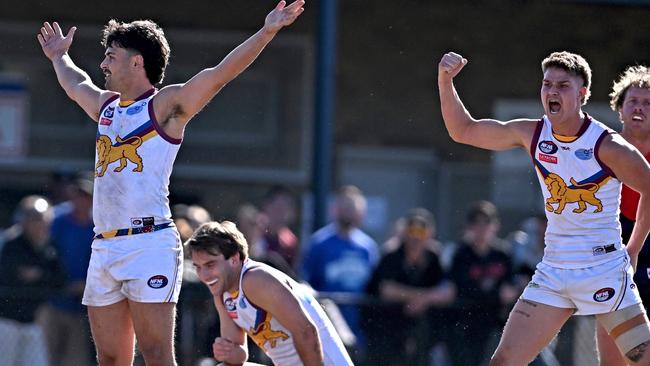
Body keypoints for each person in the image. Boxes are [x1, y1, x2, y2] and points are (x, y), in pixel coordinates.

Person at [37, 2, 305, 365]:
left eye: (110, 56)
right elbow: (74, 84)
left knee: (157, 355)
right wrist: (58, 58)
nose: (103, 64)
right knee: (110, 360)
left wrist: (267, 31)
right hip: (104, 246)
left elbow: (220, 74)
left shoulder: (164, 106)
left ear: (137, 61)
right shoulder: (107, 107)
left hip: (149, 243)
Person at [438, 51, 650, 365]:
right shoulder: (531, 132)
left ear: (582, 94)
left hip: (603, 270)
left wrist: (632, 249)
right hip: (554, 269)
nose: (552, 91)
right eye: (547, 84)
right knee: (504, 361)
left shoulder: (608, 145)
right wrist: (445, 81)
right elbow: (463, 131)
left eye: (563, 85)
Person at [186, 221, 353, 366]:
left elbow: (307, 331)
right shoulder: (223, 294)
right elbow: (239, 357)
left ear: (234, 259)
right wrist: (227, 352)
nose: (204, 275)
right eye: (198, 267)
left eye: (210, 265)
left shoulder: (255, 279)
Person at [596, 65, 650, 365]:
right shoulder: (604, 148)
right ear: (620, 108)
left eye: (648, 102)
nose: (640, 108)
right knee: (614, 339)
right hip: (614, 240)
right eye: (634, 101)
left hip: (648, 237)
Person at [364, 208, 454, 365]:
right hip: (387, 331)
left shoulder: (435, 256)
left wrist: (423, 300)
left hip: (424, 332)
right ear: (404, 232)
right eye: (412, 231)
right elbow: (386, 289)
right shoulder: (390, 254)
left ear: (430, 234)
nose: (416, 238)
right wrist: (420, 297)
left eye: (421, 232)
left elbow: (448, 291)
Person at [301, 185, 379, 352]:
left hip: (360, 328)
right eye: (345, 207)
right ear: (335, 209)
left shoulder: (368, 248)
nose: (348, 212)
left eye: (353, 208)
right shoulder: (319, 243)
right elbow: (305, 281)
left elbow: (375, 285)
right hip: (326, 327)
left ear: (361, 213)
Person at [446, 201, 519, 366]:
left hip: (497, 323)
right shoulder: (461, 254)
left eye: (486, 223)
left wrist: (495, 293)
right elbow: (461, 289)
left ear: (495, 226)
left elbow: (509, 291)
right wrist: (494, 293)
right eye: (476, 223)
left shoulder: (503, 254)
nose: (482, 229)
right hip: (467, 324)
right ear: (469, 227)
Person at [0, 195, 65, 366]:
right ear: (24, 220)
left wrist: (39, 275)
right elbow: (10, 276)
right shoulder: (11, 243)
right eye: (35, 219)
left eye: (43, 220)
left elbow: (60, 279)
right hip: (7, 321)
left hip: (35, 322)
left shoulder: (49, 247)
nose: (40, 224)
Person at [39, 176, 95, 366]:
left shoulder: (99, 225)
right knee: (45, 354)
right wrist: (58, 281)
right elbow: (46, 253)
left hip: (82, 305)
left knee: (76, 359)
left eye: (86, 196)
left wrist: (86, 285)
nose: (81, 200)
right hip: (53, 299)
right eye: (78, 196)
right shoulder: (57, 221)